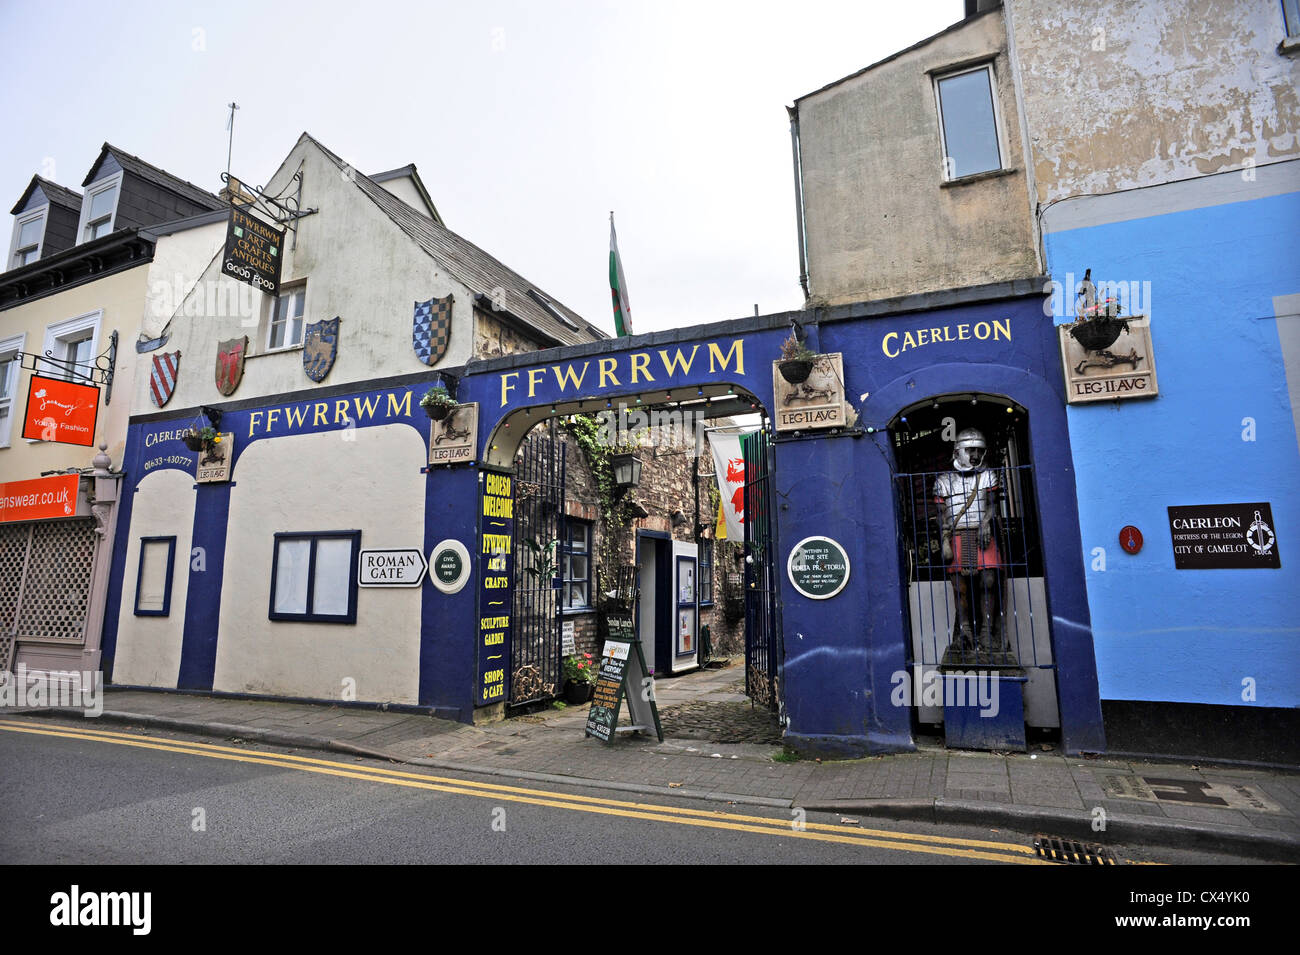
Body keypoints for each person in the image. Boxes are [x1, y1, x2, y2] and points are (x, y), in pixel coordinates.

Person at [933, 428, 1015, 665]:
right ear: (958, 451)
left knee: (989, 581)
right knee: (960, 587)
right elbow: (941, 516)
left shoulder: (989, 476)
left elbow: (991, 505)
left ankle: (988, 632)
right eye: (971, 450)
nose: (975, 455)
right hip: (957, 535)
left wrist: (986, 523)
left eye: (979, 450)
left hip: (982, 534)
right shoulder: (943, 482)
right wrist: (945, 539)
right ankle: (965, 631)